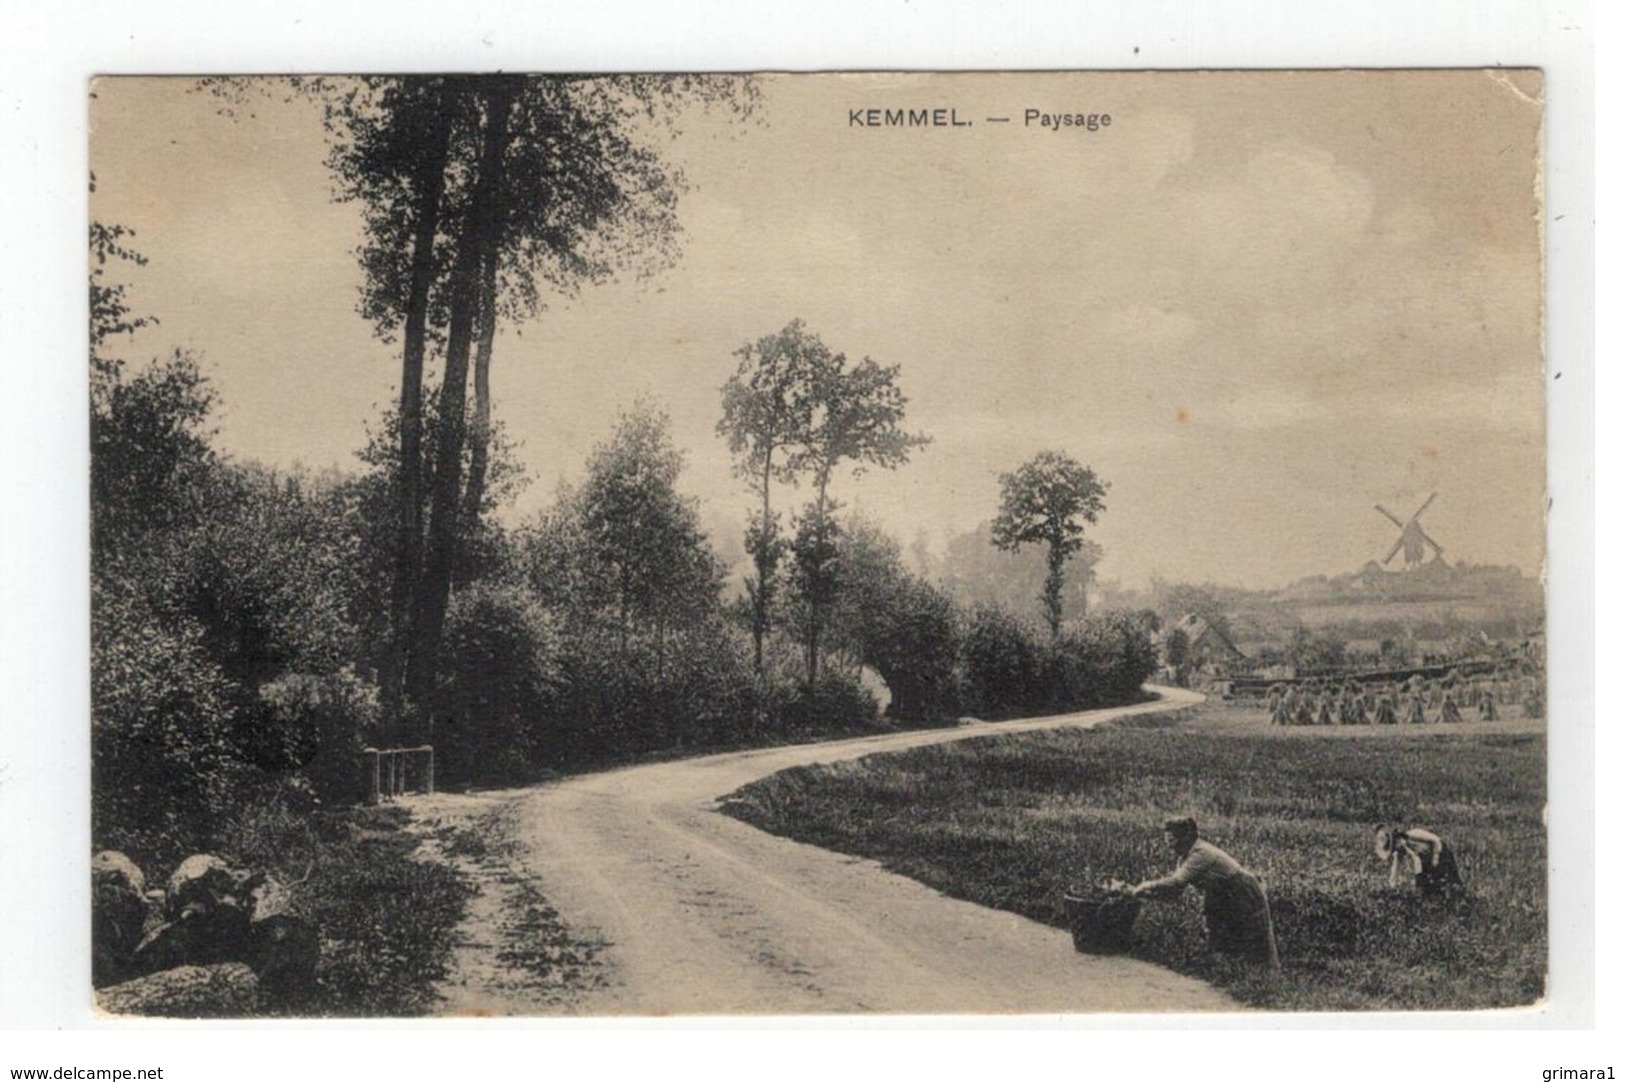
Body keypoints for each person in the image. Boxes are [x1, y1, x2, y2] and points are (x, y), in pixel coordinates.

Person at [1132, 817, 1281, 969]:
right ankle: (1230, 972)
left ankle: (1263, 977)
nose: (1171, 846)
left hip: (1242, 891)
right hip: (1220, 894)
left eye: (1173, 840)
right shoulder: (1185, 857)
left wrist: (1147, 885)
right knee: (1221, 937)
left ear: (1187, 837)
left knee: (1253, 937)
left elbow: (1176, 881)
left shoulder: (1201, 853)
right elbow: (1175, 892)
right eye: (1168, 841)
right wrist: (1143, 895)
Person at [1373, 825, 1464, 897]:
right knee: (1429, 889)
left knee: (1448, 880)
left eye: (1395, 845)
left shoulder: (1413, 834)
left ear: (1398, 839)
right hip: (1426, 860)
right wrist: (1392, 886)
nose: (1396, 849)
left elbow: (1436, 840)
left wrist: (1435, 859)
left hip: (1440, 851)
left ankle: (1457, 895)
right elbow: (1395, 869)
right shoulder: (1400, 849)